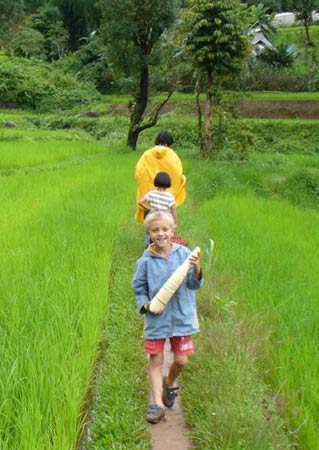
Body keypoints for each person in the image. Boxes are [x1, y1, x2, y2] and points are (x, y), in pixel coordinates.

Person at [132, 211, 203, 424]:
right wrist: (146, 305)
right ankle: (157, 405)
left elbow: (193, 284)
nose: (160, 233)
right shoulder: (144, 261)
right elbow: (139, 288)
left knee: (181, 360)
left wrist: (197, 266)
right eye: (155, 230)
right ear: (149, 233)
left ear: (173, 231)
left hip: (182, 318)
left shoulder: (184, 254)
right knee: (156, 360)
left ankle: (169, 382)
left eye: (165, 229)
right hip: (156, 320)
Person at [134, 131, 186, 225]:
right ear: (168, 144)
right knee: (164, 229)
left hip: (150, 200)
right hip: (166, 202)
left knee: (151, 227)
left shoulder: (146, 154)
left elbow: (139, 173)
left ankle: (149, 239)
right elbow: (178, 174)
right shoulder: (172, 156)